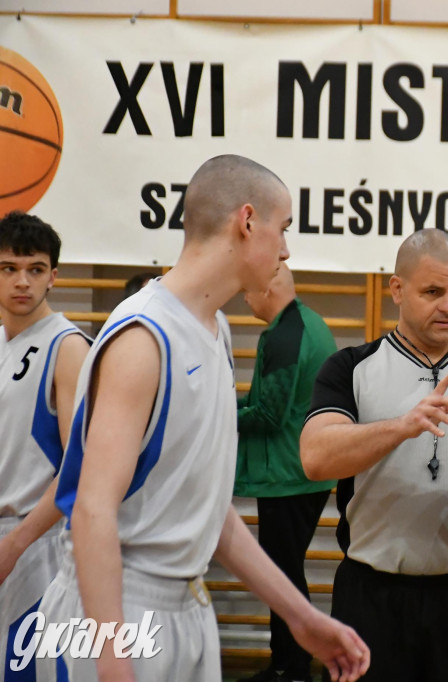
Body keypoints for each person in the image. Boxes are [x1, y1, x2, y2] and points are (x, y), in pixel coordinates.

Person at [40, 155, 369, 682]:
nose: (285, 249)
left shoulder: (212, 330)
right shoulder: (144, 337)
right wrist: (111, 658)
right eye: (282, 229)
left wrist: (302, 616)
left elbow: (211, 514)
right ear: (246, 221)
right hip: (116, 608)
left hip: (186, 605)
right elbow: (92, 510)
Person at [301, 228, 448, 682]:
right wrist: (400, 427)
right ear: (396, 289)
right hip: (374, 595)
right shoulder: (351, 367)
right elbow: (316, 457)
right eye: (433, 292)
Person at [235, 263, 339, 682]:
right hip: (299, 471)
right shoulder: (308, 322)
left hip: (287, 476)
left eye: (247, 291)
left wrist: (210, 408)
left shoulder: (285, 335)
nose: (244, 299)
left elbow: (267, 413)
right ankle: (288, 665)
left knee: (283, 578)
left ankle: (291, 668)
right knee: (285, 573)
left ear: (265, 289)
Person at [0, 212, 90, 682]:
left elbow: (80, 466)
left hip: (36, 543)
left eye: (35, 269)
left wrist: (16, 543)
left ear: (53, 276)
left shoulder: (67, 346)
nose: (22, 281)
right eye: (8, 268)